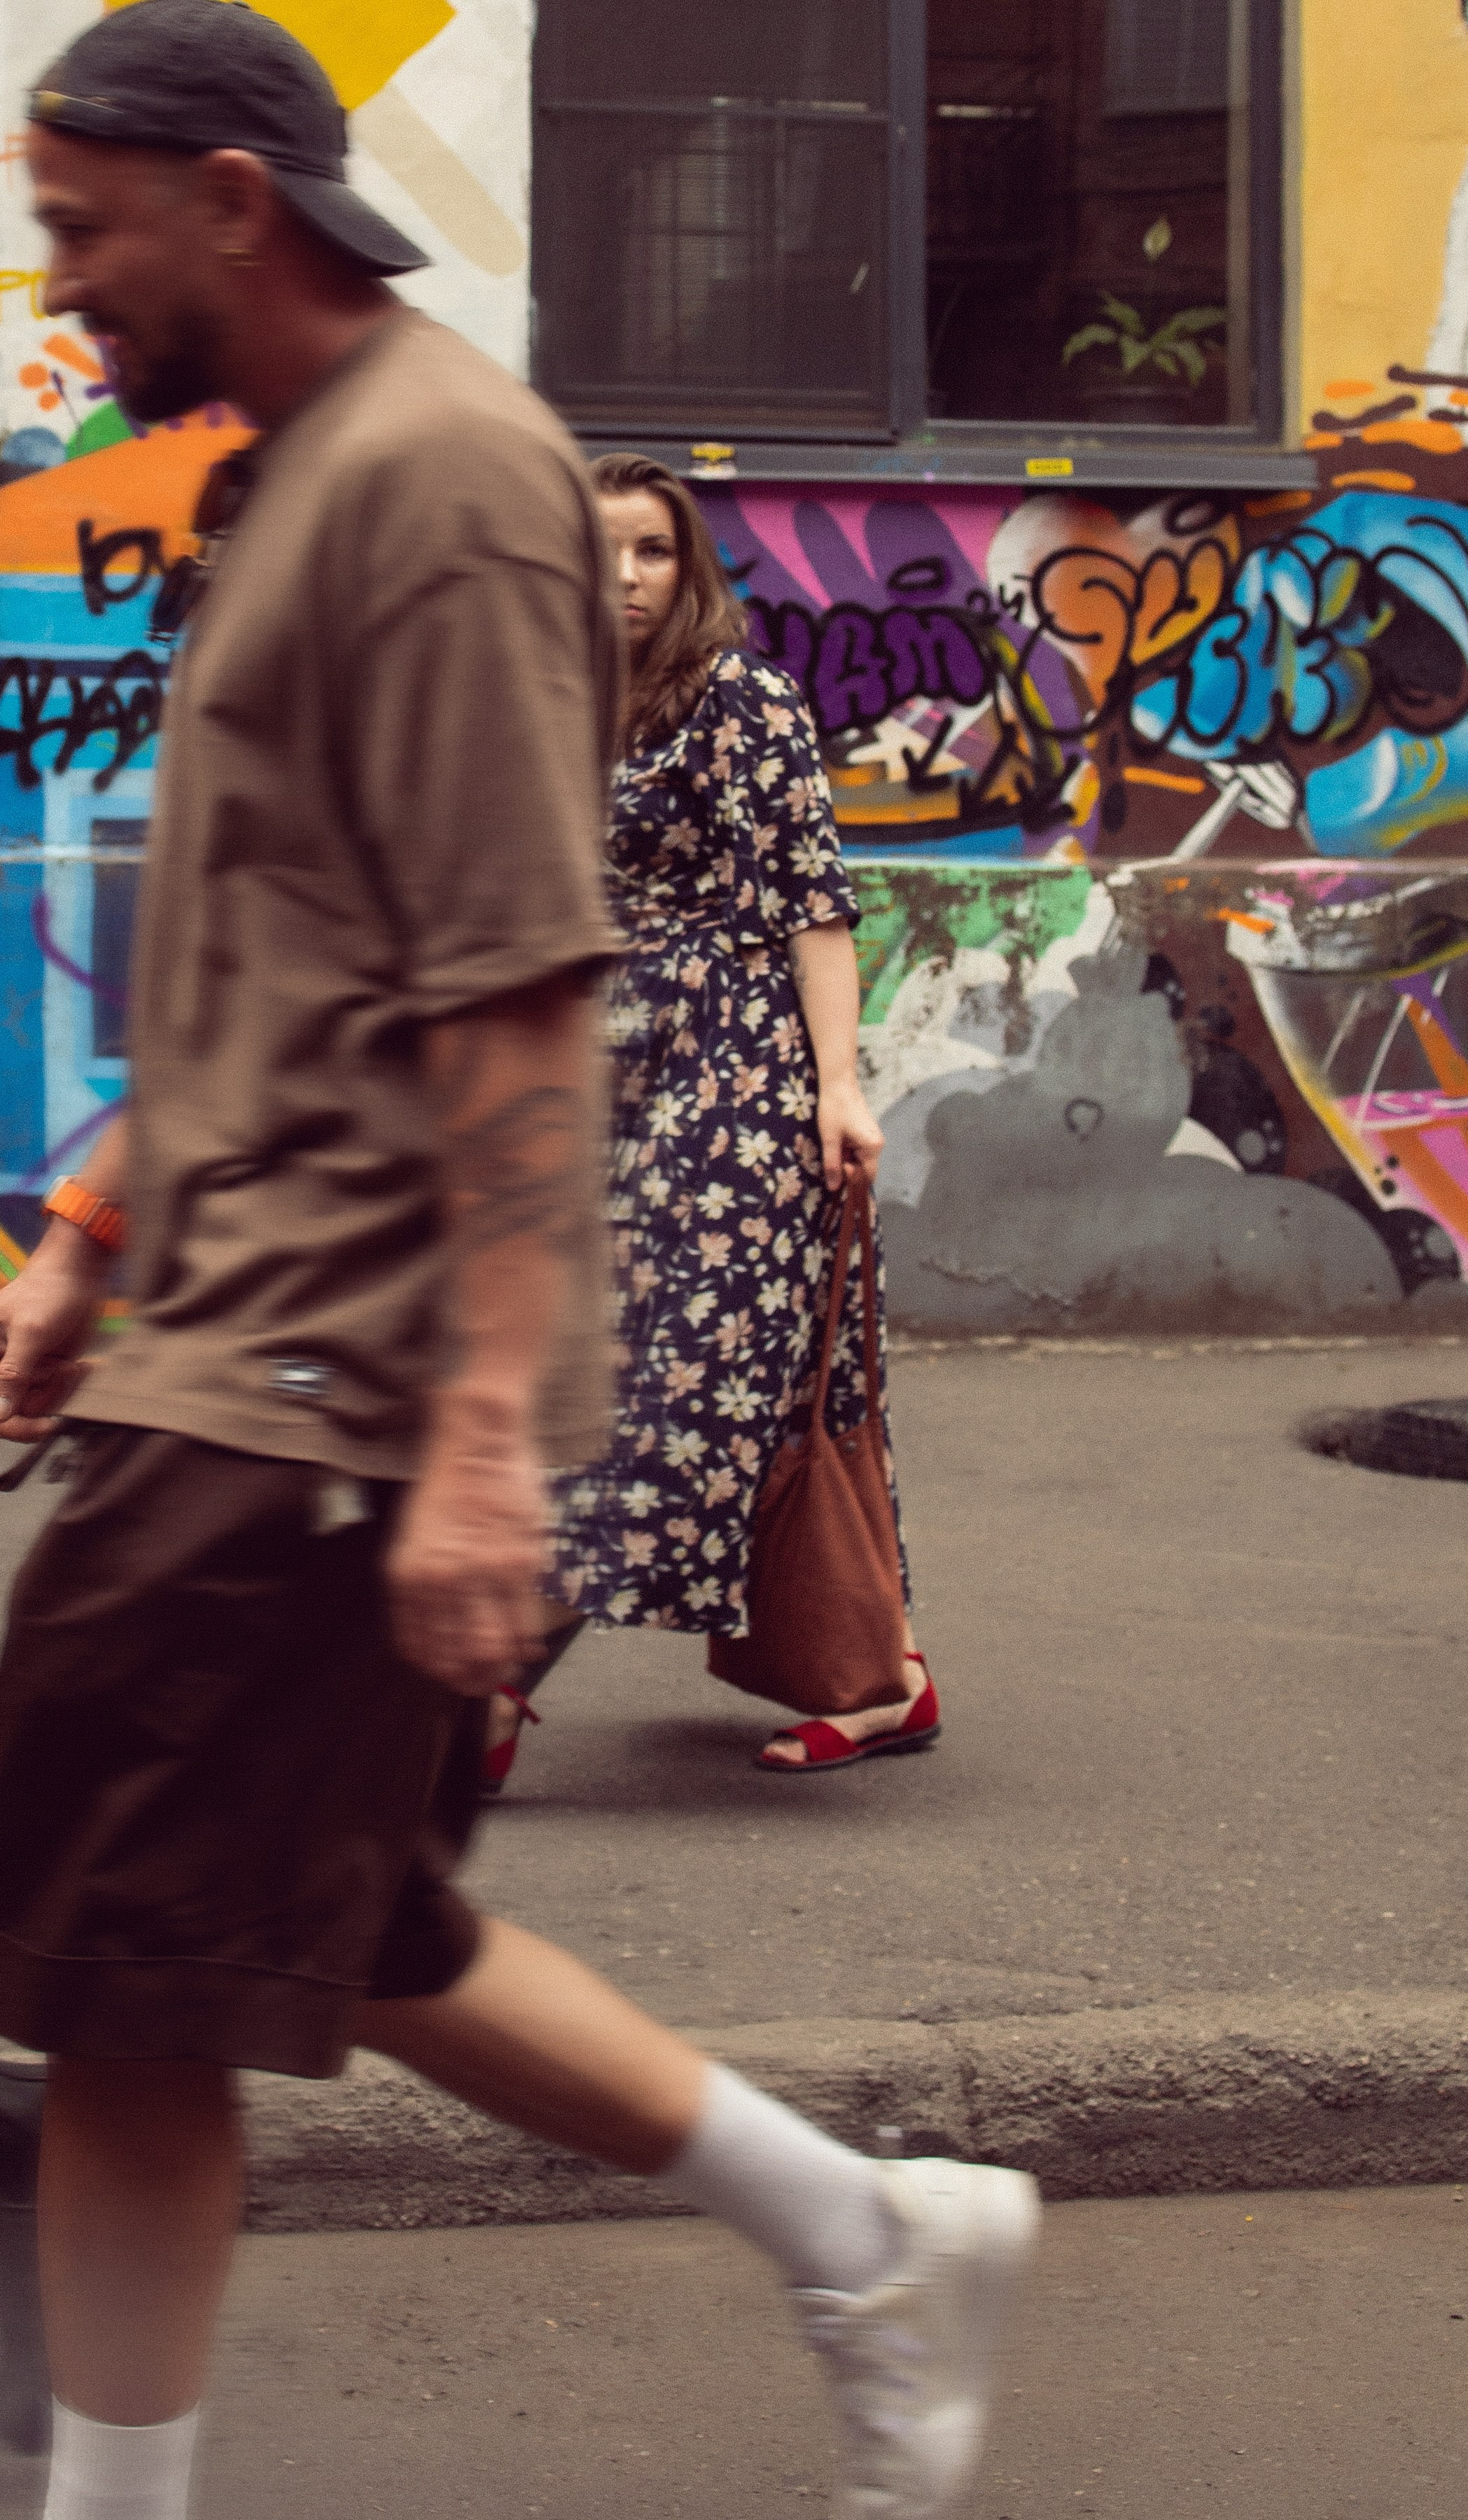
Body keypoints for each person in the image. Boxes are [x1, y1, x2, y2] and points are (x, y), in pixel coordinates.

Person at [0, 10, 1037, 2520]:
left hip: (327, 1383)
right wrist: (92, 1234)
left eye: (84, 226)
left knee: (134, 1971)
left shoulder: (447, 487)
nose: (64, 283)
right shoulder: (300, 480)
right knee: (307, 1927)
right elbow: (286, 949)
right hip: (228, 1332)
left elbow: (509, 982)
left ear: (232, 202)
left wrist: (481, 1443)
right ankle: (865, 2229)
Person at [482, 453, 937, 1788]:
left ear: (691, 569)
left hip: (736, 1079)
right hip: (604, 1085)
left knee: (681, 1378)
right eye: (600, 550)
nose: (623, 578)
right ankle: (883, 1677)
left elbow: (814, 903)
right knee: (690, 1380)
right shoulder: (559, 708)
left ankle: (497, 1676)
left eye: (653, 553)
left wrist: (839, 1084)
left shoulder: (741, 699)